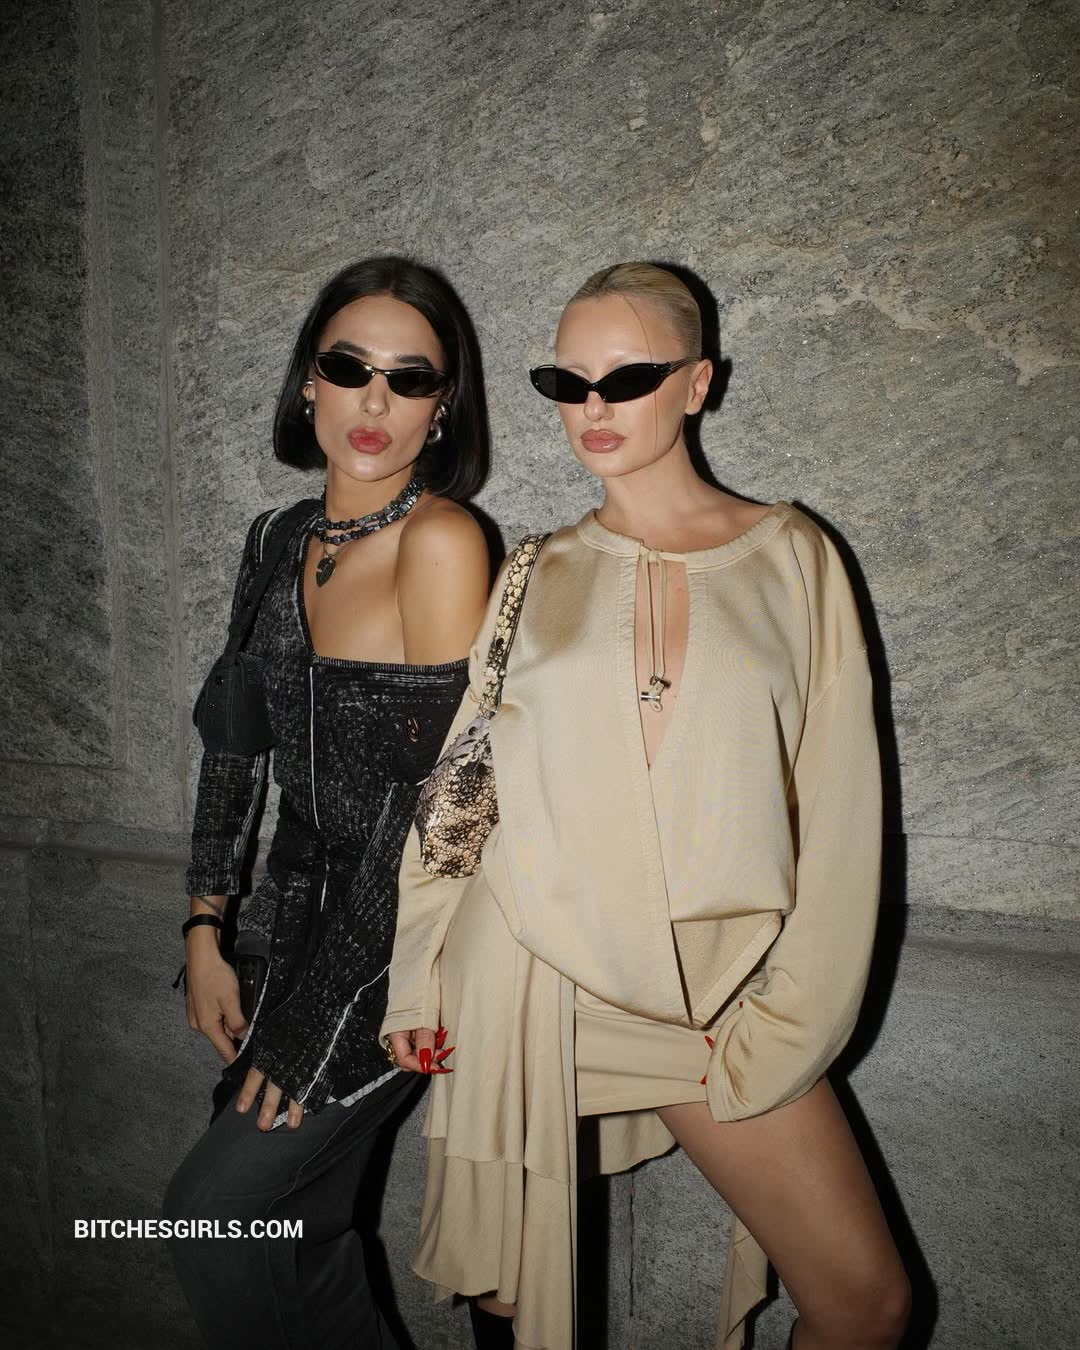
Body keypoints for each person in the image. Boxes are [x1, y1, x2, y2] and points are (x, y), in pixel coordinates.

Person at [381, 262, 912, 1350]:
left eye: (627, 378)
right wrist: (418, 970)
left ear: (698, 383)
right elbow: (465, 784)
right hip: (529, 968)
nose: (594, 406)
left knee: (865, 1302)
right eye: (567, 382)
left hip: (708, 989)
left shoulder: (796, 557)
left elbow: (842, 809)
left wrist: (797, 1016)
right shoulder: (533, 570)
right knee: (516, 1288)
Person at [164, 255, 491, 1350]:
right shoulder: (275, 539)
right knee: (298, 1239)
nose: (374, 400)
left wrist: (318, 1025)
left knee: (207, 1216)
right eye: (349, 367)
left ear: (443, 407)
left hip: (399, 948)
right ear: (309, 381)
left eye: (410, 377)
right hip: (284, 928)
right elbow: (232, 747)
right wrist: (205, 925)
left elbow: (442, 815)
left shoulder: (442, 542)